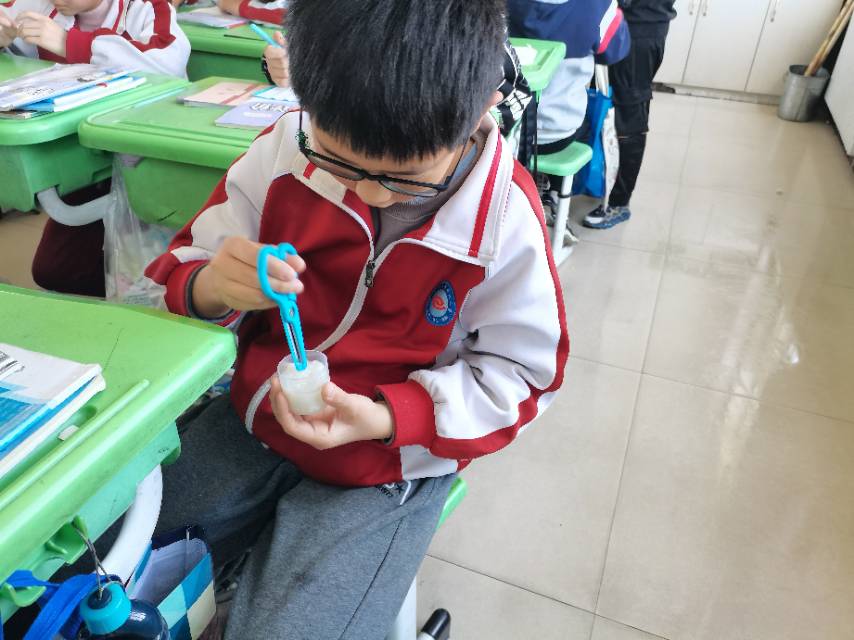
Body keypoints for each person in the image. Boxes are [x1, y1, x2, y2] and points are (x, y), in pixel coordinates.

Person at [144, 1, 568, 638]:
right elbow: (187, 265)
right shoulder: (284, 152)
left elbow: (523, 377)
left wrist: (391, 417)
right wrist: (210, 287)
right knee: (108, 565)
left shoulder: (504, 223)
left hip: (390, 464)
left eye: (406, 177)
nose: (370, 192)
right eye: (338, 162)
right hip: (256, 417)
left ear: (484, 103)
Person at [0, 0, 190, 298]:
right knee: (54, 270)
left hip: (144, 168)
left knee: (145, 277)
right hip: (84, 163)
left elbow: (168, 61)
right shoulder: (38, 5)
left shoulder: (147, 8)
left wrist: (68, 43)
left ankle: (147, 299)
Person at [507, 0, 630, 241]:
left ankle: (525, 195)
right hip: (558, 132)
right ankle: (553, 194)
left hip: (507, 129)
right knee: (584, 125)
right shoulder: (597, 4)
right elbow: (615, 50)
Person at [583, 0, 676, 229]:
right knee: (603, 106)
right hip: (619, 25)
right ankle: (601, 181)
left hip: (638, 31)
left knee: (629, 115)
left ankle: (619, 202)